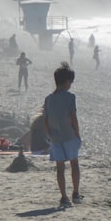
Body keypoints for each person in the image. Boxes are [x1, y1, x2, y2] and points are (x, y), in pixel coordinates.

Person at [43, 61, 81, 207]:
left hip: (55, 137)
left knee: (60, 168)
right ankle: (76, 193)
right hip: (69, 135)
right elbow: (73, 117)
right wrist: (77, 132)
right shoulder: (70, 97)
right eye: (70, 82)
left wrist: (49, 134)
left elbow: (45, 120)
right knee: (74, 164)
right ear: (67, 82)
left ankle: (64, 197)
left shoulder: (48, 99)